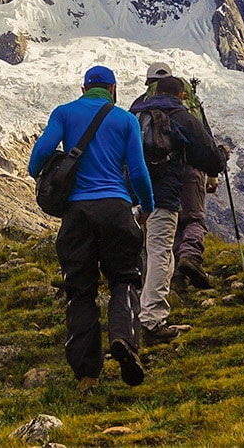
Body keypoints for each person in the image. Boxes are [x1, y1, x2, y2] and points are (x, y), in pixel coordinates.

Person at [28, 65, 155, 392]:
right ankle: (123, 340)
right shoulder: (125, 119)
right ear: (113, 89)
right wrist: (148, 206)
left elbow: (40, 154)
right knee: (125, 279)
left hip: (77, 215)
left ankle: (87, 375)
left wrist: (38, 173)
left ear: (84, 88)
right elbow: (138, 172)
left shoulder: (65, 113)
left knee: (80, 289)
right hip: (116, 208)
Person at [129, 75, 227, 344]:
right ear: (182, 95)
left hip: (133, 194)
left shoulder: (135, 112)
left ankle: (136, 312)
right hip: (164, 194)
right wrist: (220, 158)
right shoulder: (180, 115)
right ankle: (152, 321)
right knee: (161, 250)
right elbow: (206, 155)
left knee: (146, 250)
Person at [134, 62, 220, 290]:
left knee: (162, 227)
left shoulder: (140, 107)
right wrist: (213, 173)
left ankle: (173, 278)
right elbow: (205, 140)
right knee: (192, 219)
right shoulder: (187, 107)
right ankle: (190, 257)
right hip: (191, 171)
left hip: (152, 175)